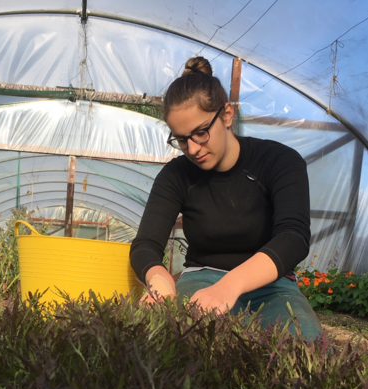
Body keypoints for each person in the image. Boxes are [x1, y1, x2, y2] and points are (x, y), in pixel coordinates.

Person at [129, 56, 322, 341]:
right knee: (174, 342)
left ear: (227, 115)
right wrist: (161, 281)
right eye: (182, 140)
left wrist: (230, 285)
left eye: (201, 132)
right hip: (200, 279)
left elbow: (293, 237)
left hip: (272, 285)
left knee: (304, 345)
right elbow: (146, 244)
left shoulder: (279, 161)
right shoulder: (176, 175)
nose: (192, 149)